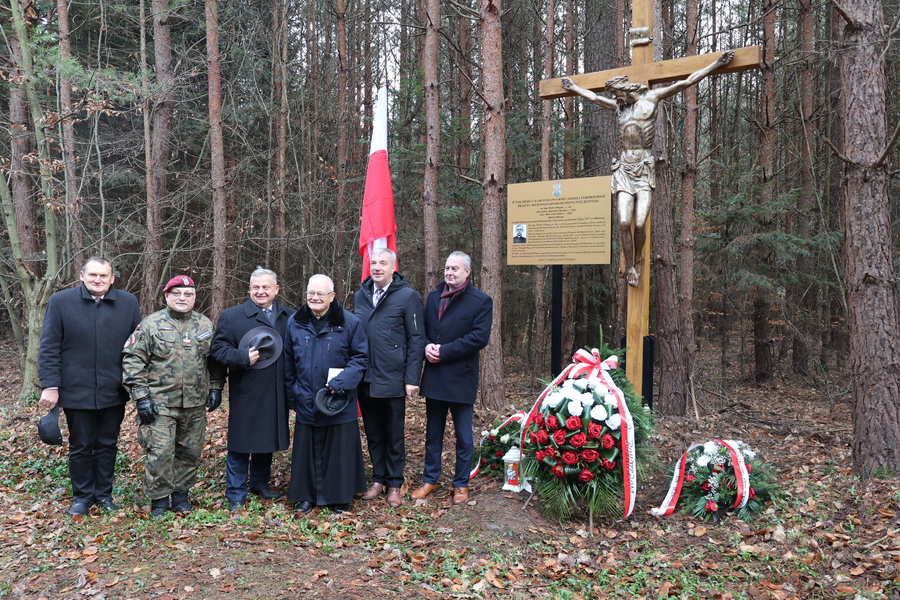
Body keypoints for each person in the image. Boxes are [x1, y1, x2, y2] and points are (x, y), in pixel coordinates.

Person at [561, 50, 734, 287]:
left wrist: (715, 64)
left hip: (643, 169)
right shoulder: (619, 108)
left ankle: (639, 257)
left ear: (627, 90)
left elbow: (686, 82)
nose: (616, 99)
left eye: (618, 94)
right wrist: (573, 88)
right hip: (623, 169)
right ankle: (630, 265)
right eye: (614, 96)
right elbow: (593, 98)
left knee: (640, 223)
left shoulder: (651, 99)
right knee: (623, 222)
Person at [38, 257, 142, 516]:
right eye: (93, 275)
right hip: (76, 388)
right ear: (82, 275)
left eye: (103, 276)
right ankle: (82, 497)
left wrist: (138, 384)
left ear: (112, 278)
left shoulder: (128, 303)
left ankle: (104, 496)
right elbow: (49, 346)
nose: (98, 280)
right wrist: (50, 385)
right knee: (81, 445)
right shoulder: (61, 302)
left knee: (107, 444)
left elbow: (137, 347)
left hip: (113, 388)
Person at [123, 275, 226, 518]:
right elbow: (133, 360)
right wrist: (141, 397)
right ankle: (159, 501)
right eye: (177, 293)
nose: (182, 298)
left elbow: (216, 360)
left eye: (188, 294)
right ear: (167, 296)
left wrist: (216, 388)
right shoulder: (150, 325)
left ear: (194, 298)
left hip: (195, 403)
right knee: (160, 453)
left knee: (189, 453)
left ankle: (181, 497)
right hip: (159, 404)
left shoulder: (204, 325)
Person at [411, 251, 492, 505]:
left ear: (467, 272)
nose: (449, 272)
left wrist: (443, 351)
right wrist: (426, 347)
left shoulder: (480, 301)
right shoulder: (435, 296)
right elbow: (422, 331)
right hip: (434, 376)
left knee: (464, 436)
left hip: (461, 378)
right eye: (447, 268)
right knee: (433, 433)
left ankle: (461, 485)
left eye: (455, 268)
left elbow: (478, 338)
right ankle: (430, 479)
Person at [211, 267, 295, 511]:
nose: (261, 291)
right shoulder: (232, 316)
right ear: (249, 289)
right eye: (256, 287)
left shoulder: (289, 317)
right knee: (242, 441)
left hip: (277, 390)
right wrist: (240, 356)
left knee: (266, 437)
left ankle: (259, 482)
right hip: (246, 388)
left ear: (276, 289)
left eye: (266, 287)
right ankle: (236, 491)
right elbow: (217, 350)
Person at [284, 274, 368, 515]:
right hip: (306, 398)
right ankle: (306, 496)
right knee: (307, 450)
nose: (315, 297)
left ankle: (339, 497)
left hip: (338, 400)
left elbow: (360, 358)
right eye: (311, 292)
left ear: (332, 296)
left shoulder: (351, 322)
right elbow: (289, 362)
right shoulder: (294, 322)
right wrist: (293, 393)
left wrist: (341, 383)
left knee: (338, 449)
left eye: (321, 293)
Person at [354, 249, 425, 508]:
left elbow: (417, 339)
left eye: (383, 263)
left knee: (393, 433)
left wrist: (412, 378)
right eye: (373, 263)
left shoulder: (408, 297)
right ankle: (379, 479)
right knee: (373, 432)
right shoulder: (360, 296)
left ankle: (395, 482)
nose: (377, 267)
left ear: (393, 267)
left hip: (394, 377)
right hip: (365, 378)